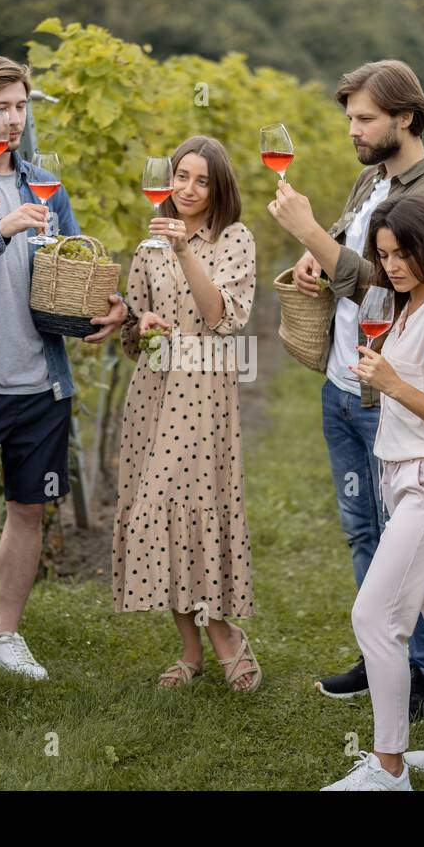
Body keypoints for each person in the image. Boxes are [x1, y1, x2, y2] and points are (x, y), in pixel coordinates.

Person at [267, 59, 424, 720]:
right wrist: (314, 258)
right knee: (363, 530)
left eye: (365, 119)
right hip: (343, 382)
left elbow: (393, 289)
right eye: (349, 117)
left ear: (405, 117)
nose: (353, 130)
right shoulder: (369, 178)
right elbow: (356, 254)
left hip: (392, 393)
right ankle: (381, 647)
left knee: (405, 539)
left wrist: (311, 235)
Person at [0, 55, 128, 681]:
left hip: (42, 383)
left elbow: (74, 263)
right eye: (1, 107)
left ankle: (4, 635)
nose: (14, 119)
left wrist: (107, 306)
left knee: (27, 510)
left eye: (22, 106)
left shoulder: (45, 184)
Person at [320, 195, 424, 790]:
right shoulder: (410, 305)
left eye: (402, 253)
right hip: (412, 477)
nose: (391, 265)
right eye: (384, 254)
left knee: (375, 616)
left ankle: (388, 767)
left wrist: (391, 383)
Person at [113, 136, 261, 692]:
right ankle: (191, 650)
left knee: (193, 508)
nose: (188, 189)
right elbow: (132, 328)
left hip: (204, 390)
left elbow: (222, 315)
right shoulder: (148, 245)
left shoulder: (234, 239)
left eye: (202, 180)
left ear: (219, 187)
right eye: (180, 176)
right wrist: (140, 324)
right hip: (153, 389)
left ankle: (225, 635)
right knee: (156, 516)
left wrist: (182, 251)